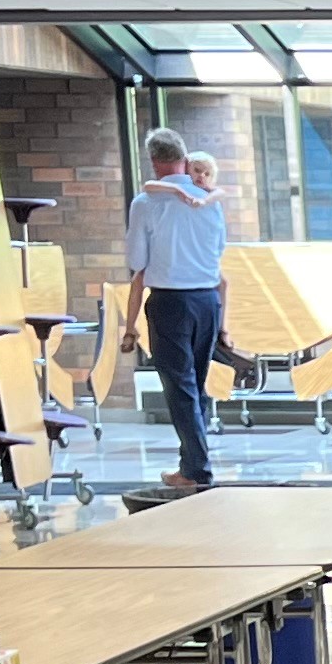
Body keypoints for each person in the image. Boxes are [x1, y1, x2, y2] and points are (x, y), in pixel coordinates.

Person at [119, 128, 227, 493]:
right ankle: (191, 463)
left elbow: (136, 260)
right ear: (184, 158)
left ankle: (197, 470)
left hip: (170, 302)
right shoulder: (210, 199)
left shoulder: (146, 203)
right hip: (208, 301)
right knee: (194, 385)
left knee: (180, 388)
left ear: (153, 161)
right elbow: (219, 248)